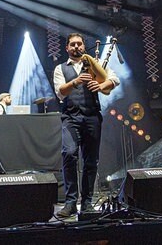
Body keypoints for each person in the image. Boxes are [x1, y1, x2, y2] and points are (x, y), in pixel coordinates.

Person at [53, 33, 120, 217]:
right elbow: (60, 92)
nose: (76, 47)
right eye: (72, 44)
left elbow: (114, 79)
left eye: (79, 44)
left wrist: (101, 85)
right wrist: (76, 81)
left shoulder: (94, 64)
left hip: (92, 117)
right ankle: (71, 202)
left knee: (91, 161)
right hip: (70, 117)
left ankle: (88, 202)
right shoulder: (60, 68)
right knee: (69, 154)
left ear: (84, 46)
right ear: (67, 48)